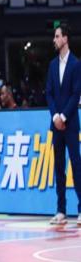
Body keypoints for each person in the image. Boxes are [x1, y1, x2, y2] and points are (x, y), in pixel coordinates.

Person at [46, 25, 81, 226]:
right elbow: (49, 93)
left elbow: (76, 94)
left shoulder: (76, 64)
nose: (55, 39)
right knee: (59, 167)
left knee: (76, 165)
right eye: (55, 36)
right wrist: (55, 117)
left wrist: (64, 117)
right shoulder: (52, 65)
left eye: (58, 36)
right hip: (56, 124)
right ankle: (61, 210)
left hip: (71, 124)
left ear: (66, 38)